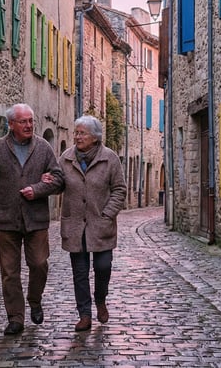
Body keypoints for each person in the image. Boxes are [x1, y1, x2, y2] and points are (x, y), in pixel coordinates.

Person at [0, 103, 63, 335]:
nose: (28, 125)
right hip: (6, 219)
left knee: (39, 264)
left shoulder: (44, 148)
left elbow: (58, 180)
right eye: (23, 121)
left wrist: (37, 190)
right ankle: (15, 317)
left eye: (30, 121)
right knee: (9, 272)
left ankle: (34, 300)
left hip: (36, 220)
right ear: (11, 124)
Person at [52, 115, 127, 331]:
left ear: (95, 137)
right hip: (75, 225)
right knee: (80, 272)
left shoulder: (109, 158)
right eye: (76, 132)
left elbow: (119, 189)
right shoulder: (66, 158)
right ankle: (84, 314)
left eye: (81, 133)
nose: (77, 137)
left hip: (101, 224)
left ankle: (100, 299)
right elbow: (59, 184)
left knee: (103, 267)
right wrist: (50, 181)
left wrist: (108, 214)